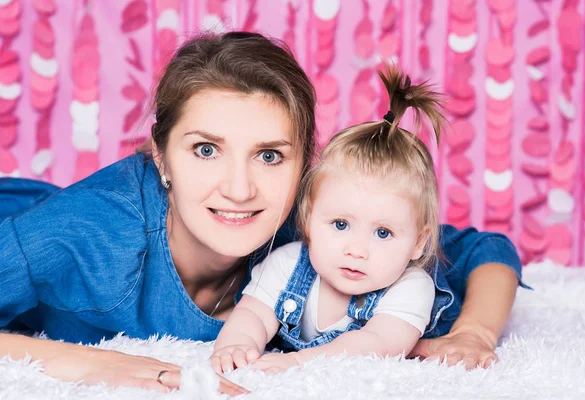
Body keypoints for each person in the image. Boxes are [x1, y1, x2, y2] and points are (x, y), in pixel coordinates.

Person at [0, 31, 526, 395]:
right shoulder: (80, 231)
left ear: (304, 168)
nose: (239, 188)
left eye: (270, 155)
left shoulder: (313, 224)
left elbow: (482, 250)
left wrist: (474, 333)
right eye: (206, 149)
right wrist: (94, 364)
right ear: (160, 155)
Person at [211, 66, 444, 374]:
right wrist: (237, 344)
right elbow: (253, 313)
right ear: (308, 219)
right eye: (340, 225)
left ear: (418, 242)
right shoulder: (287, 263)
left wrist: (297, 361)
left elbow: (377, 343)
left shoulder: (411, 287)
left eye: (383, 233)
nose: (357, 249)